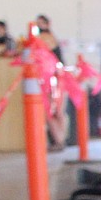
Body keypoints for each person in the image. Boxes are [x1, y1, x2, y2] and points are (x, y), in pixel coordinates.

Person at [35, 14, 68, 150]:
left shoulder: (45, 38)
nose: (39, 26)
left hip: (54, 79)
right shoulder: (48, 37)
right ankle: (59, 139)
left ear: (47, 24)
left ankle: (59, 140)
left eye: (41, 23)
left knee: (53, 112)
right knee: (54, 112)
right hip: (54, 78)